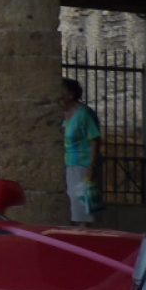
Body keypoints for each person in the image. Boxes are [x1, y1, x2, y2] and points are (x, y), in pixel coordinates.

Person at [61, 77, 102, 227]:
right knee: (70, 207)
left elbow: (95, 139)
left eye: (61, 92)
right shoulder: (62, 115)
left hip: (82, 165)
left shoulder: (84, 114)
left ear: (70, 95)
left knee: (81, 209)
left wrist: (92, 166)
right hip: (66, 164)